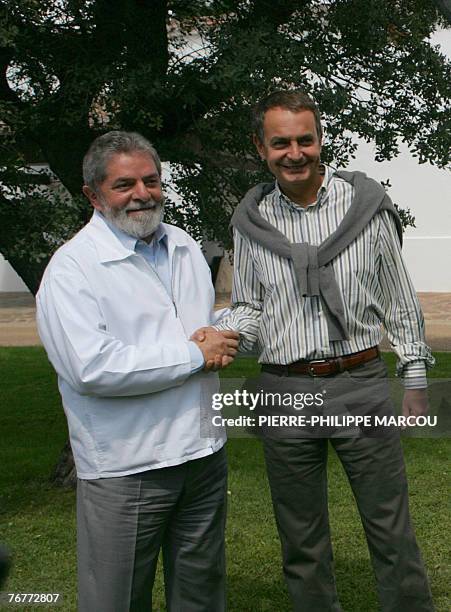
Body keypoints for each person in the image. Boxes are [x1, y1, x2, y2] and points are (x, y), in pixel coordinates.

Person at [209, 90, 435, 611]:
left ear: (320, 139)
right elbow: (248, 306)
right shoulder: (251, 223)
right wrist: (222, 333)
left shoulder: (366, 207)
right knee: (301, 538)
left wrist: (416, 379)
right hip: (283, 391)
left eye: (305, 140)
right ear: (260, 147)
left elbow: (398, 298)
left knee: (390, 527)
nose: (295, 153)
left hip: (360, 381)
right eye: (281, 142)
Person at [36, 131, 239, 612]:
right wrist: (195, 355)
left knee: (202, 595)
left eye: (151, 180)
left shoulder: (184, 247)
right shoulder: (72, 270)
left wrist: (228, 333)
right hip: (128, 469)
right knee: (117, 601)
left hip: (202, 455)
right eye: (124, 184)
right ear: (92, 194)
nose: (142, 194)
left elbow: (197, 329)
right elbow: (93, 367)